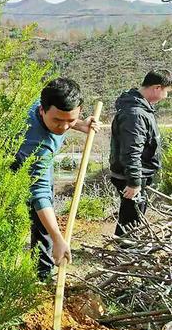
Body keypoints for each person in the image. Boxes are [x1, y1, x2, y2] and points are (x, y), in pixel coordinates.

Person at [12, 78, 99, 281]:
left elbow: (64, 118)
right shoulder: (37, 144)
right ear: (42, 110)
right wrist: (58, 238)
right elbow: (40, 193)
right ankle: (40, 273)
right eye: (58, 121)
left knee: (44, 215)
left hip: (42, 160)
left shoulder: (50, 101)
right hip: (17, 162)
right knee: (38, 208)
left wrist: (80, 124)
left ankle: (43, 272)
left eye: (70, 120)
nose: (64, 127)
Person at [110, 69, 171, 236]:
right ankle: (126, 249)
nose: (166, 96)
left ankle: (126, 246)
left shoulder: (140, 108)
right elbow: (132, 151)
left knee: (131, 217)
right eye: (166, 91)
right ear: (157, 88)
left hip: (136, 173)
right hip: (132, 175)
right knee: (131, 220)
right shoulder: (135, 114)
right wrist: (134, 182)